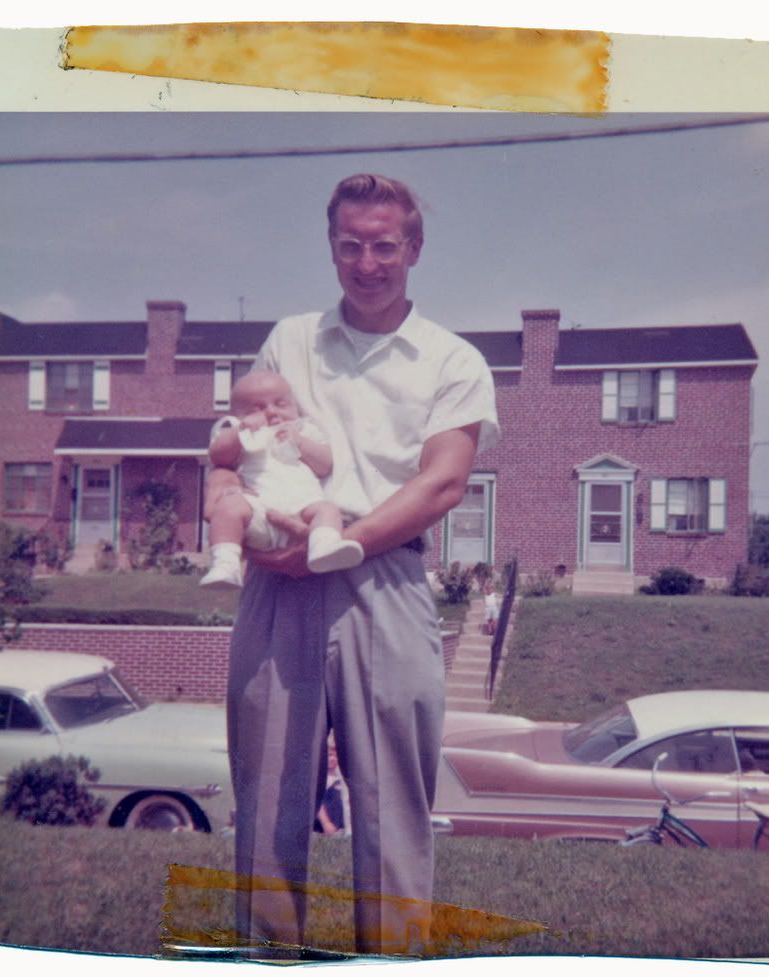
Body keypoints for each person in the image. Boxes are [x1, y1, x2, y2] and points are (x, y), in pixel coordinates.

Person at [226, 173, 498, 957]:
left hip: (387, 582)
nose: (367, 261)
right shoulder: (290, 340)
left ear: (413, 248)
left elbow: (442, 481)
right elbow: (258, 451)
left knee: (393, 811)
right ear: (332, 247)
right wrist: (267, 537)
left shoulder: (452, 360)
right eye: (351, 245)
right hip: (281, 583)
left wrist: (342, 543)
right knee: (270, 795)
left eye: (385, 245)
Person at [200, 369, 364, 588]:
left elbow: (325, 465)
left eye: (281, 404)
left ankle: (324, 547)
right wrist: (239, 432)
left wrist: (301, 443)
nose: (271, 412)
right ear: (238, 416)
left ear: (295, 406)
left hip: (304, 510)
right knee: (229, 507)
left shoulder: (304, 430)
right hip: (258, 510)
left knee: (328, 510)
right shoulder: (243, 436)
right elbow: (218, 456)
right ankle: (225, 563)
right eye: (256, 408)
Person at [313, 736, 351, 836]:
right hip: (322, 823)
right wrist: (326, 823)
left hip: (340, 824)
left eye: (335, 756)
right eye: (330, 755)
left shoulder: (340, 779)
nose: (333, 759)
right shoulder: (320, 777)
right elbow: (316, 800)